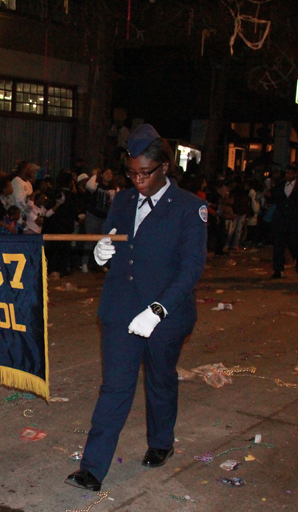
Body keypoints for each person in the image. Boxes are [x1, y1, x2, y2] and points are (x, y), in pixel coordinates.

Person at [66, 124, 207, 492]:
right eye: (132, 173)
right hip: (121, 310)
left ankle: (161, 442)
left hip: (165, 314)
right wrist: (101, 252)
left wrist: (158, 310)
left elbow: (191, 268)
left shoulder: (191, 209)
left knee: (160, 381)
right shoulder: (123, 201)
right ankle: (93, 468)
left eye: (145, 173)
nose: (138, 180)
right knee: (114, 387)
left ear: (164, 168)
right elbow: (112, 240)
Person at [269, 164, 298, 278]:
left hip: (294, 221)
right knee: (278, 246)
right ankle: (278, 269)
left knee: (293, 244)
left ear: (295, 174)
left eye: (290, 173)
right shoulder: (280, 185)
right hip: (281, 220)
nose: (287, 175)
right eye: (286, 173)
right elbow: (273, 198)